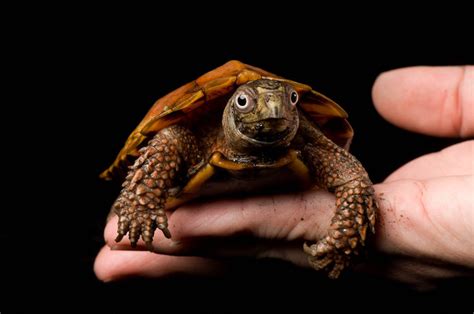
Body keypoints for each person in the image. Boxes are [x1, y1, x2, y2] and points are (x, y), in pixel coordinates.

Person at [94, 66, 473, 288]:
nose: (273, 108)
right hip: (182, 173)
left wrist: (346, 238)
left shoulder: (304, 136)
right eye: (244, 102)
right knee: (132, 203)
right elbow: (164, 140)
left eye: (288, 100)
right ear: (230, 110)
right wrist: (140, 201)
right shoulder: (185, 136)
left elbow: (353, 180)